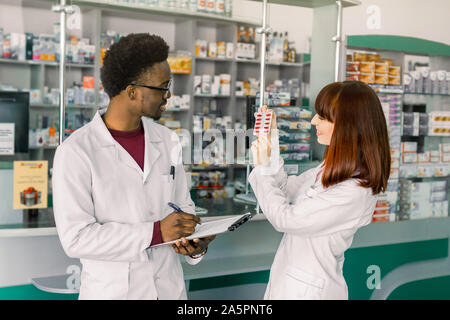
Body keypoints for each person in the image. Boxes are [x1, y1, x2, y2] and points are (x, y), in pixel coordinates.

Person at [52, 33, 214, 300]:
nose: (168, 95)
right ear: (132, 91)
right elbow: (76, 238)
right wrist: (156, 232)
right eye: (162, 87)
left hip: (168, 290)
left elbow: (182, 209)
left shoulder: (168, 140)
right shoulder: (76, 152)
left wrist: (194, 243)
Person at [250, 81, 391, 300]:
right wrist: (272, 139)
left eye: (323, 117)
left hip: (312, 292)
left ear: (348, 125)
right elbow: (286, 189)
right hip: (291, 284)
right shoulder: (329, 170)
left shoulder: (353, 191)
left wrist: (261, 169)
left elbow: (286, 219)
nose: (314, 120)